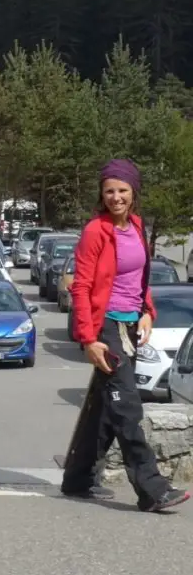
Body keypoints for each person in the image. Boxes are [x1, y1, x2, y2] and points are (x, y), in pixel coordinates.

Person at [60, 158, 189, 511]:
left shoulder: (136, 225)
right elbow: (82, 286)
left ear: (133, 193)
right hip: (107, 327)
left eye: (122, 191)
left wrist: (148, 311)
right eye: (109, 191)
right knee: (126, 406)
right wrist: (88, 338)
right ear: (102, 195)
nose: (116, 197)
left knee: (104, 406)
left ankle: (78, 478)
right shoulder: (95, 231)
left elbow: (140, 278)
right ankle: (151, 488)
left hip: (132, 324)